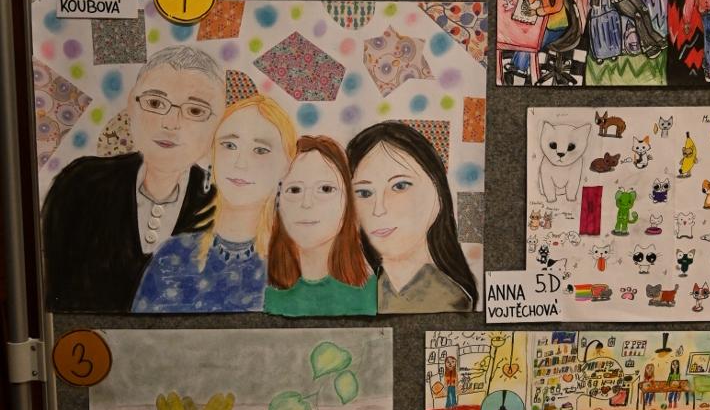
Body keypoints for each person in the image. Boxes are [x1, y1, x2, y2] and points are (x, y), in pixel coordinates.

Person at [41, 46, 226, 312]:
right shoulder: (81, 183)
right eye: (155, 103)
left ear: (217, 125)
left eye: (195, 111)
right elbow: (53, 296)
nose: (171, 123)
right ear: (131, 104)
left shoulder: (223, 203)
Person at [133, 94, 295, 313]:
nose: (240, 163)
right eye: (229, 145)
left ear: (286, 167)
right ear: (212, 157)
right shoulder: (172, 256)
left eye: (260, 150)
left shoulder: (295, 262)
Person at [346, 121, 478, 314]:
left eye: (400, 186)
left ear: (438, 193)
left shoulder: (450, 300)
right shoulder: (359, 292)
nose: (378, 209)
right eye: (364, 193)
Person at [264, 136, 377, 317]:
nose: (306, 203)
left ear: (347, 202)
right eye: (294, 190)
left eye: (325, 189)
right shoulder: (264, 295)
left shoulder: (372, 293)